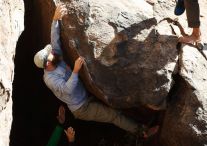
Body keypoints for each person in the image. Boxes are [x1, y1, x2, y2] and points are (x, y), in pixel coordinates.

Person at [34, 4, 159, 139]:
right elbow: (67, 90)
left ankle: (143, 122)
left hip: (84, 96)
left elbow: (55, 40)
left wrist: (55, 19)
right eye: (49, 53)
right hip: (82, 108)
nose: (52, 51)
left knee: (115, 106)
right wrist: (75, 71)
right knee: (113, 115)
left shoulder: (55, 58)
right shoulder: (49, 79)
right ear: (47, 63)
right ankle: (142, 132)